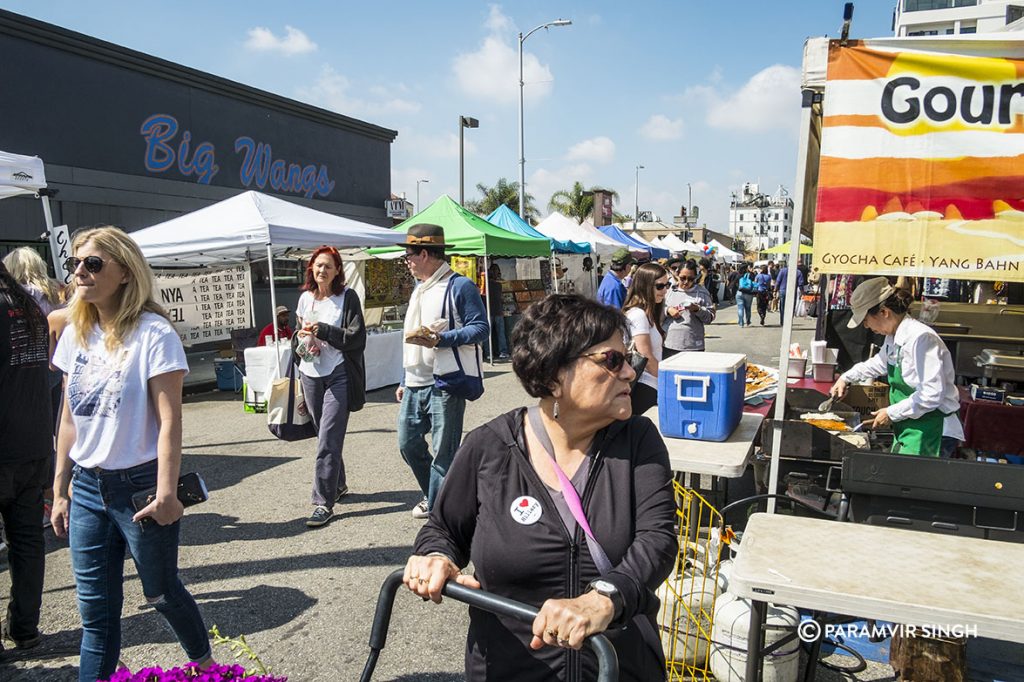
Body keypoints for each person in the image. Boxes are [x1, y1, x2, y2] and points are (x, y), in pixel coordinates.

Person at [403, 294, 677, 681]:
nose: (631, 373)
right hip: (507, 668)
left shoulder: (638, 440)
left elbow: (658, 540)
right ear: (552, 377)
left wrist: (606, 597)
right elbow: (443, 529)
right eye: (612, 361)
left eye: (627, 358)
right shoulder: (488, 447)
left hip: (618, 668)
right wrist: (434, 556)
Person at [49, 226, 214, 682]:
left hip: (139, 488)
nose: (80, 272)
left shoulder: (154, 334)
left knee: (160, 592)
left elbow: (169, 422)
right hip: (86, 487)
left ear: (125, 273)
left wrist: (166, 494)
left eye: (93, 264)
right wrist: (60, 488)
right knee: (97, 619)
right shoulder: (75, 332)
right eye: (77, 263)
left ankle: (205, 665)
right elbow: (68, 418)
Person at [396, 224, 488, 519]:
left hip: (445, 380)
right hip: (414, 380)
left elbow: (481, 328)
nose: (406, 261)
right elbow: (411, 337)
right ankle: (436, 495)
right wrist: (402, 378)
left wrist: (442, 339)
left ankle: (439, 512)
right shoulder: (419, 288)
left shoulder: (459, 286)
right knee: (408, 444)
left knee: (443, 452)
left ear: (424, 253)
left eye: (409, 255)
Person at [829, 278, 964, 457]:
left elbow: (931, 394)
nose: (866, 326)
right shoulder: (893, 337)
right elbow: (879, 363)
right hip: (911, 426)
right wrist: (846, 378)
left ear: (884, 312)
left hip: (932, 429)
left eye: (866, 320)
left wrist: (891, 412)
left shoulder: (922, 339)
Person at [293, 246, 366, 528]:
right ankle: (338, 484)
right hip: (310, 374)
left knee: (329, 438)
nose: (322, 270)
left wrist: (323, 330)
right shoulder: (303, 299)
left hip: (339, 374)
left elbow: (356, 338)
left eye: (328, 266)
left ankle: (322, 502)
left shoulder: (346, 298)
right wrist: (302, 339)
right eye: (318, 265)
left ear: (337, 271)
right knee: (324, 435)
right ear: (311, 268)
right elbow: (298, 338)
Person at [0, 261, 52, 654]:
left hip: (4, 445)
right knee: (28, 541)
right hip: (34, 443)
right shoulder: (29, 305)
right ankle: (25, 628)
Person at [623, 263, 669, 415]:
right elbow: (646, 356)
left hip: (650, 385)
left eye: (667, 284)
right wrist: (666, 381)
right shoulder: (638, 315)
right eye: (660, 286)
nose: (665, 290)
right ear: (646, 286)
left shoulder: (648, 314)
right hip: (643, 386)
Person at [664, 259, 716, 356]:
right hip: (670, 343)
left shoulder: (702, 293)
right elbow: (656, 309)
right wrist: (668, 310)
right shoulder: (669, 291)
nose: (686, 282)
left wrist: (697, 309)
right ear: (677, 275)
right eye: (683, 278)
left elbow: (710, 317)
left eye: (691, 279)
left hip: (693, 344)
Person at [484, 263, 509, 360]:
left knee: (487, 334)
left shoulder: (485, 286)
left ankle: (488, 353)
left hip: (488, 311)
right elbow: (501, 298)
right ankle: (503, 352)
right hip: (498, 311)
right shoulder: (498, 285)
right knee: (500, 333)